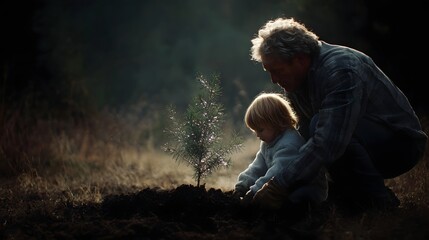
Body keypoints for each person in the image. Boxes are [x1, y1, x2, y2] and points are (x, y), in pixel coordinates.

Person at [249, 17, 428, 212]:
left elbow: (329, 141)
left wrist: (279, 184)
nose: (274, 80)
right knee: (309, 130)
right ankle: (349, 195)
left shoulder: (341, 69)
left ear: (300, 58)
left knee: (321, 126)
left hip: (400, 145)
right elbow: (301, 142)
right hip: (362, 140)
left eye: (277, 71)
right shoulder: (296, 81)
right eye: (269, 72)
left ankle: (378, 201)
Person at [233, 92, 328, 212]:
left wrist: (253, 191)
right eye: (254, 130)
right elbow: (256, 167)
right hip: (284, 186)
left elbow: (276, 173)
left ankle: (305, 219)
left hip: (308, 189)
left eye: (260, 130)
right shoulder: (268, 143)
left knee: (291, 202)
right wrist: (242, 186)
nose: (257, 135)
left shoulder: (289, 144)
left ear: (277, 122)